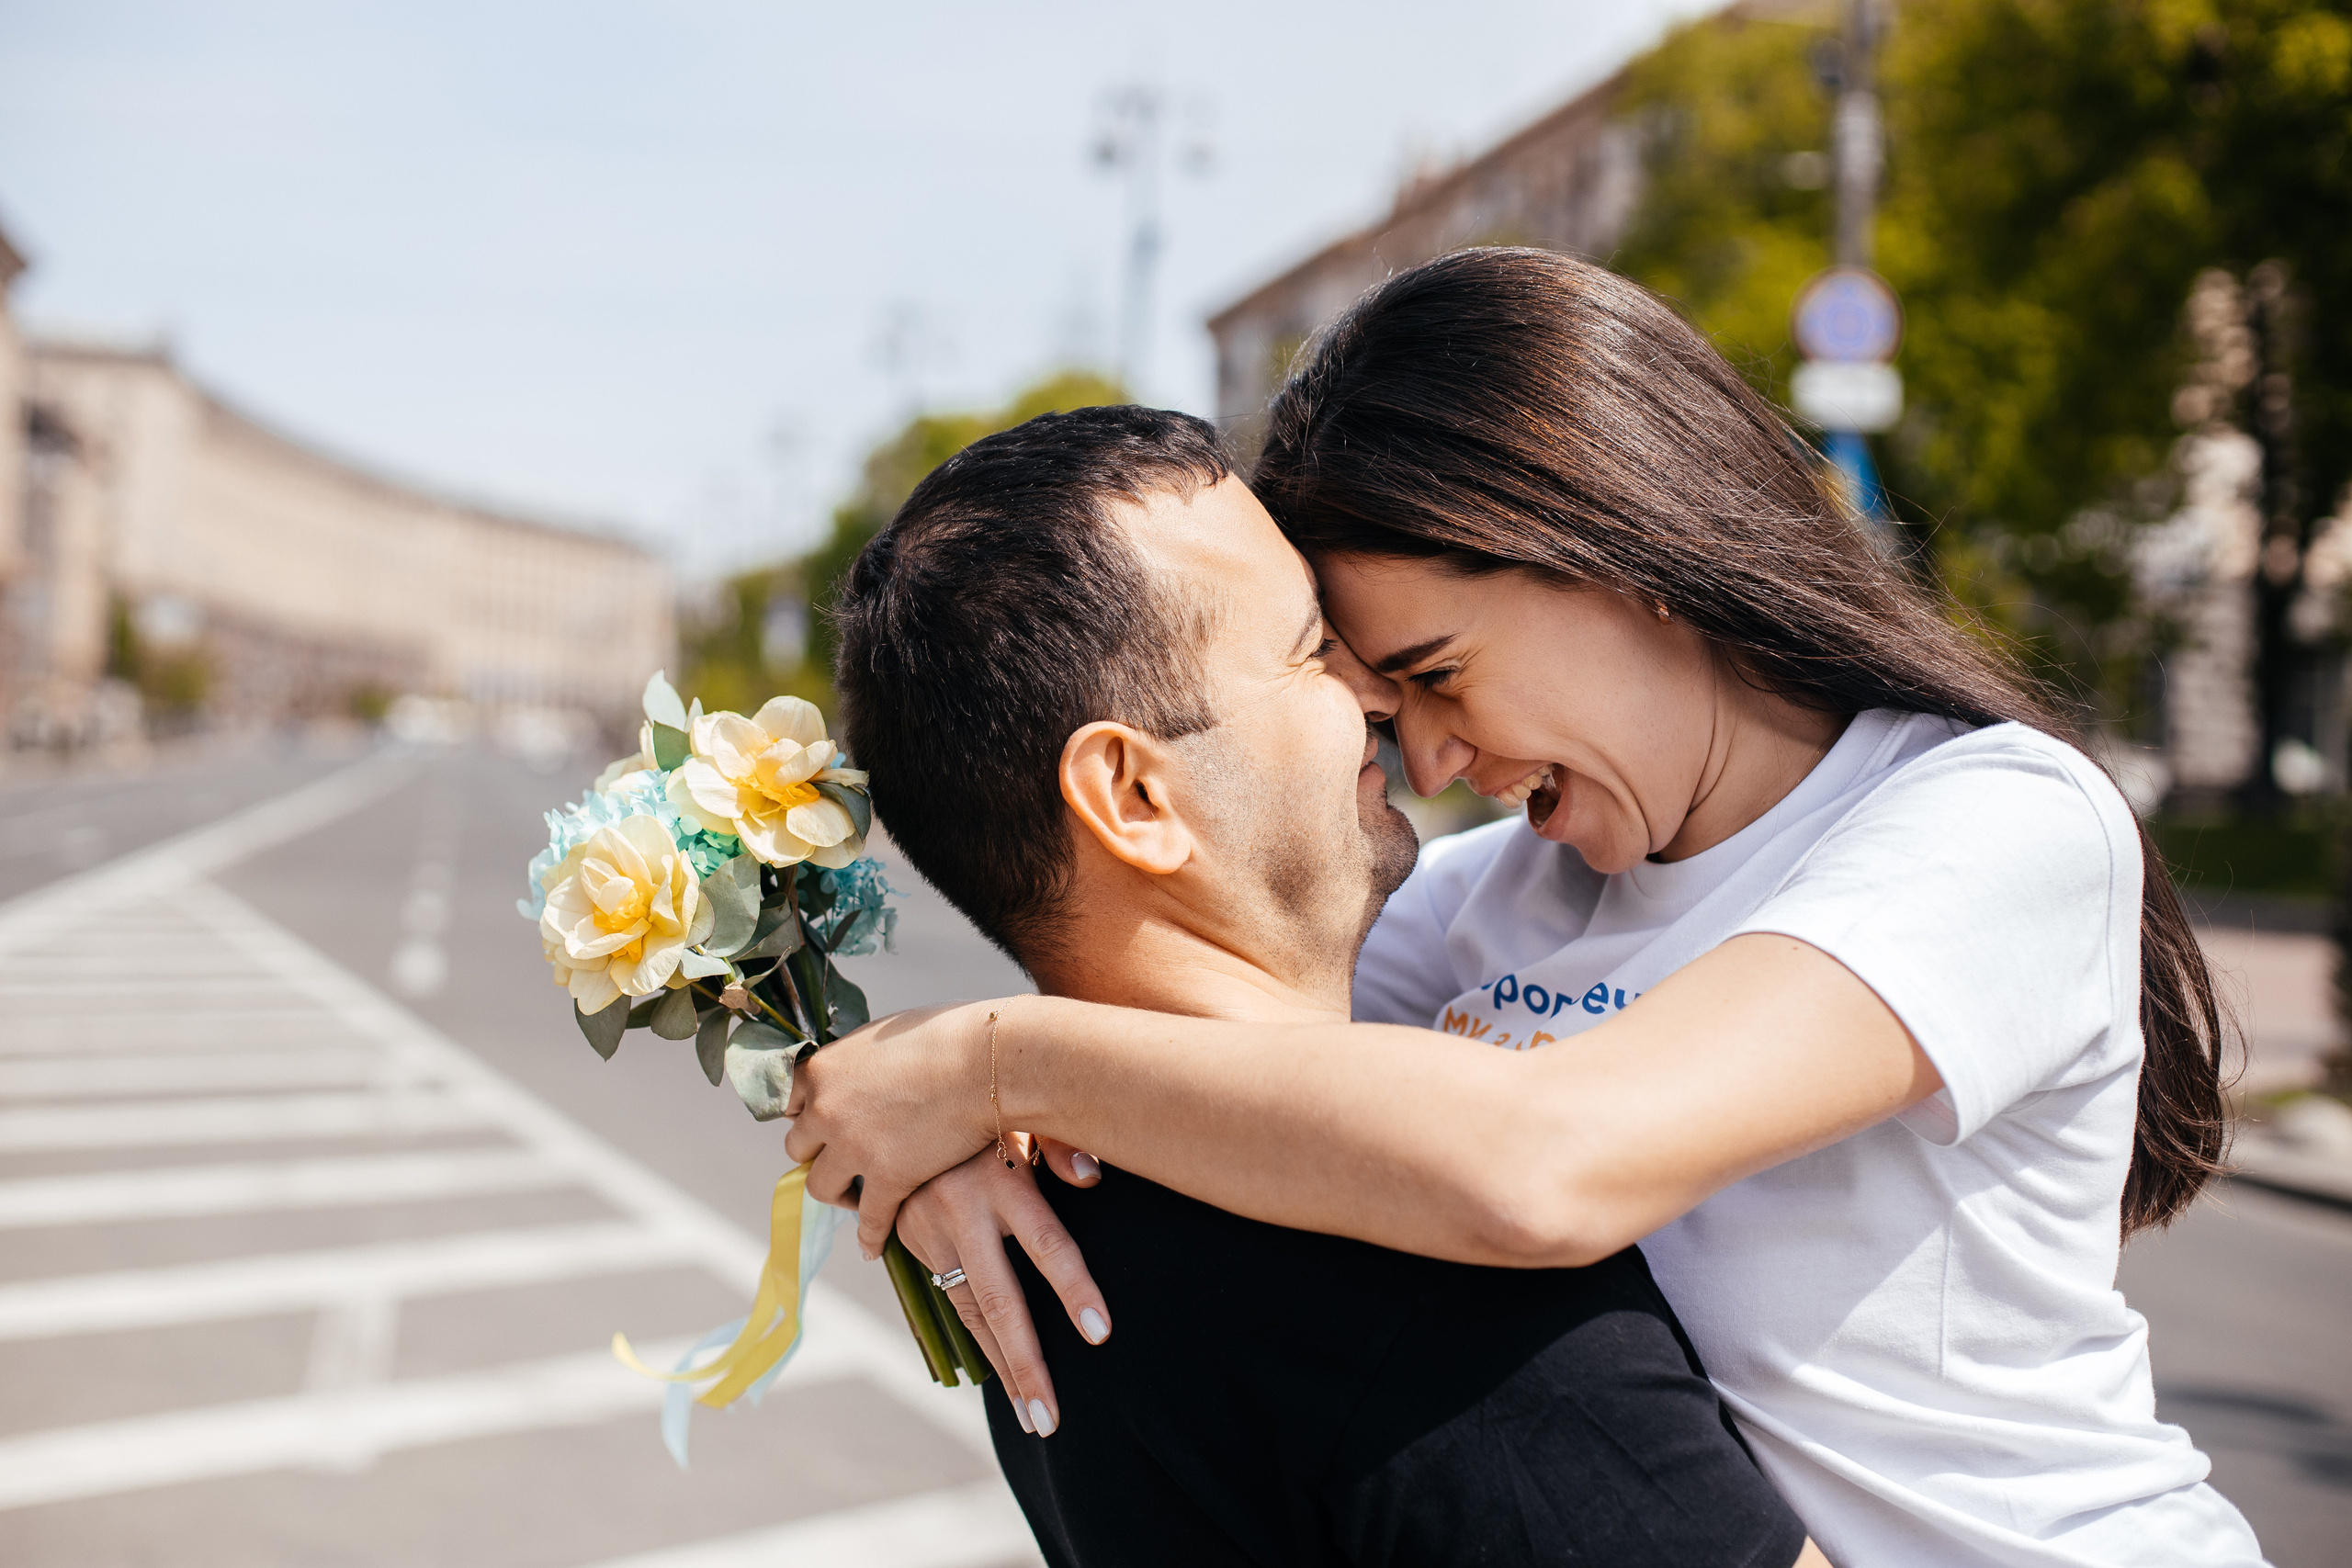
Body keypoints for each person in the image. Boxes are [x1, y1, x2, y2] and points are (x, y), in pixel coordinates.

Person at [787, 249, 2270, 1567]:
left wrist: (991, 1063)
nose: (1422, 757)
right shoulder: (1503, 895)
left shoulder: (1985, 818)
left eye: (1434, 672)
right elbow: (1218, 1007)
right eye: (1364, 687)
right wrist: (930, 1157)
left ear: (1621, 553)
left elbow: (1547, 1163)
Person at [828, 403, 1825, 1568]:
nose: (1383, 692)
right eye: (1309, 649)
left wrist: (971, 1077)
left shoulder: (1027, 1225)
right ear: (1134, 798)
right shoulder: (1425, 1264)